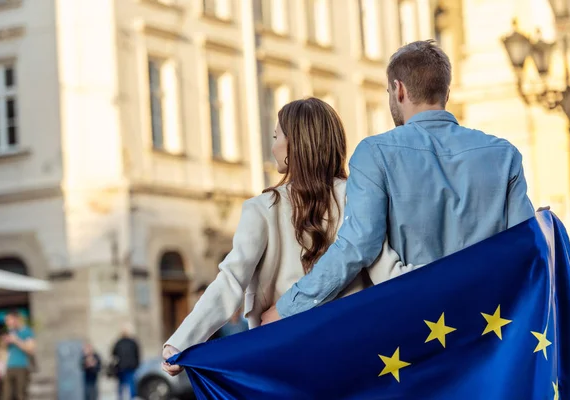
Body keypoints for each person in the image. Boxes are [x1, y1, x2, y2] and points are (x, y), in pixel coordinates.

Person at [261, 40, 536, 324]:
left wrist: (287, 308)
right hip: (488, 323)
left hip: (415, 328)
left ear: (399, 89)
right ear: (447, 92)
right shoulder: (504, 154)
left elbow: (356, 246)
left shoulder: (374, 153)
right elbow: (524, 246)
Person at [162, 98, 418, 376]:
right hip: (356, 354)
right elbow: (389, 272)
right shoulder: (359, 197)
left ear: (294, 145)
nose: (272, 146)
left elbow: (230, 281)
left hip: (286, 357)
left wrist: (180, 343)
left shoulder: (262, 210)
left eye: (275, 136)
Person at [1, 311, 35, 400]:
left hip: (22, 366)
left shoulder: (27, 331)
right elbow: (5, 351)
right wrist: (5, 342)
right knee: (6, 396)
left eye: (9, 320)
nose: (7, 322)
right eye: (6, 321)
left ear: (16, 319)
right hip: (9, 366)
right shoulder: (10, 332)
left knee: (21, 395)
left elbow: (30, 349)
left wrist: (16, 340)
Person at [111, 324, 140, 400]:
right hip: (131, 366)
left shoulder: (118, 342)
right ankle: (132, 398)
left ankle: (120, 398)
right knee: (131, 384)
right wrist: (136, 364)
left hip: (121, 367)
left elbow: (113, 353)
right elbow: (137, 354)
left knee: (121, 384)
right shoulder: (133, 342)